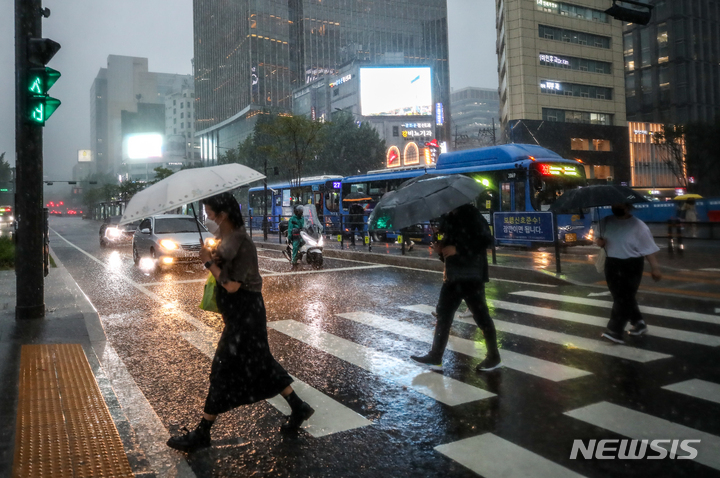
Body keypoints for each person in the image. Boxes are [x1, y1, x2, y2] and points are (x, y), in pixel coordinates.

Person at [167, 193, 314, 453]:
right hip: (238, 315)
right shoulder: (227, 239)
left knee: (222, 368)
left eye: (210, 213)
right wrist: (212, 254)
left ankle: (203, 432)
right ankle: (299, 407)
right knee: (262, 363)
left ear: (222, 214)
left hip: (246, 315)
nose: (208, 217)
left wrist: (208, 262)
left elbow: (232, 285)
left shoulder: (242, 242)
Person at [410, 203, 501, 372]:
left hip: (471, 275)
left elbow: (485, 240)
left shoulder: (472, 214)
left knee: (481, 316)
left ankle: (493, 356)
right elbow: (446, 248)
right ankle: (436, 356)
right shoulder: (447, 218)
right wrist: (439, 248)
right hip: (452, 275)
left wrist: (458, 249)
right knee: (443, 315)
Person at [597, 202, 662, 344]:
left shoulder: (639, 226)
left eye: (620, 205)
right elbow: (598, 240)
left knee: (624, 298)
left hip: (632, 264)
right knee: (620, 297)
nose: (616, 207)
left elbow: (648, 249)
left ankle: (615, 331)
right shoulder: (605, 222)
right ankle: (638, 323)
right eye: (614, 205)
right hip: (612, 263)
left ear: (628, 207)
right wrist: (600, 242)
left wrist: (655, 268)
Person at [288, 205, 305, 269]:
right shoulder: (292, 219)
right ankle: (293, 262)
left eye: (302, 211)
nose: (301, 212)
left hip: (303, 235)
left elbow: (306, 225)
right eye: (300, 211)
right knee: (295, 246)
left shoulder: (303, 218)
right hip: (296, 236)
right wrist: (290, 237)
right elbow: (290, 229)